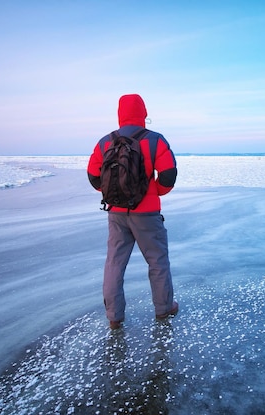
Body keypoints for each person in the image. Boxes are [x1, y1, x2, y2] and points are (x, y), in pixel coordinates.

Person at [87, 94, 178, 330]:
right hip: (147, 215)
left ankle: (114, 317)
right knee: (157, 261)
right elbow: (168, 175)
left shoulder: (105, 142)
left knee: (114, 264)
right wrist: (152, 193)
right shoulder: (156, 140)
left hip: (116, 213)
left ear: (120, 114)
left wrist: (114, 194)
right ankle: (164, 309)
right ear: (144, 114)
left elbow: (94, 176)